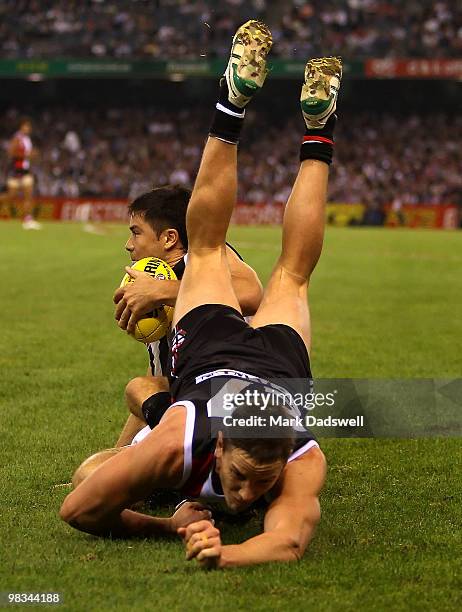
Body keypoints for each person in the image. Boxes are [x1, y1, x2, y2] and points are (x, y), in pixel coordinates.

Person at [60, 19, 342, 569]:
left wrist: (223, 556)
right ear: (218, 446)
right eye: (241, 478)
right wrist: (172, 527)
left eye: (262, 485)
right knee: (259, 263)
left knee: (235, 257)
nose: (246, 497)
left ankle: (298, 121)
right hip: (267, 366)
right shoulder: (180, 443)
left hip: (226, 362)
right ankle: (278, 115)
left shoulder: (299, 457)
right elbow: (77, 507)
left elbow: (288, 540)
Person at [112, 185, 263, 447]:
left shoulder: (203, 256)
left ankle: (202, 452)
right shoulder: (156, 283)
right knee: (139, 394)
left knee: (140, 393)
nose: (128, 245)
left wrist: (163, 291)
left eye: (136, 233)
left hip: (246, 402)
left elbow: (252, 293)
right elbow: (159, 378)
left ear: (169, 238)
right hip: (204, 405)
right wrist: (116, 454)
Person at [2, 117, 41, 230]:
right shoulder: (17, 138)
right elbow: (11, 153)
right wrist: (27, 155)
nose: (28, 128)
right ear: (21, 127)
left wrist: (32, 156)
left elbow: (27, 156)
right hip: (15, 171)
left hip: (25, 171)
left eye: (29, 126)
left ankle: (27, 219)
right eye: (26, 126)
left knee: (28, 194)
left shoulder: (27, 139)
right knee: (10, 196)